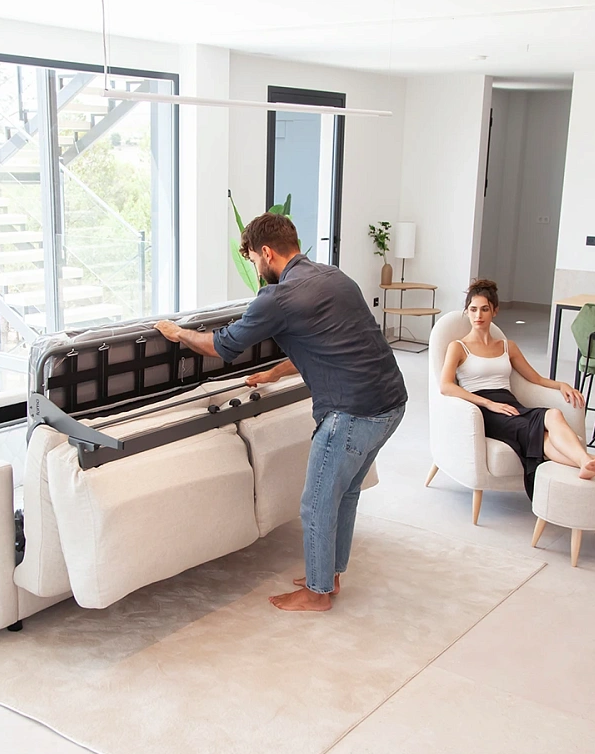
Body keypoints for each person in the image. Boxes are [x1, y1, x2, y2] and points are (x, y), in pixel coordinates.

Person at [154, 213, 406, 612]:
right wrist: (274, 373)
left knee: (317, 502)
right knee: (345, 491)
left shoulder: (277, 298)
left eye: (254, 260)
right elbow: (334, 344)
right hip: (391, 402)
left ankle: (317, 594)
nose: (256, 269)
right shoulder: (335, 278)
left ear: (267, 252)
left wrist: (178, 332)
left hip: (352, 412)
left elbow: (221, 346)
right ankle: (329, 575)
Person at [440, 278, 595, 497]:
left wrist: (561, 385)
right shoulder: (458, 347)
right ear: (467, 311)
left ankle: (589, 463)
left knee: (552, 418)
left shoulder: (507, 346)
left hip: (511, 405)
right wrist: (489, 404)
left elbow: (535, 378)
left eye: (484, 309)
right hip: (483, 411)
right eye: (473, 309)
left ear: (495, 311)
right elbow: (446, 386)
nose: (478, 315)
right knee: (541, 436)